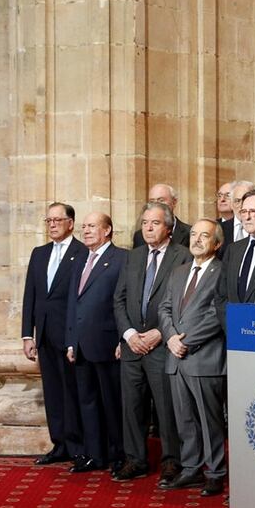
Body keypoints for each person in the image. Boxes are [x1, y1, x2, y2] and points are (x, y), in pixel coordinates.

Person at [112, 203, 192, 483]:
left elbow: (185, 302)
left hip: (162, 344)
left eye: (154, 223)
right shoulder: (132, 257)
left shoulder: (182, 256)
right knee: (132, 406)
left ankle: (172, 460)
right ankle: (135, 459)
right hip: (134, 346)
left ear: (168, 227)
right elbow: (119, 300)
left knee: (166, 406)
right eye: (144, 222)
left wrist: (161, 332)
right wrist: (129, 334)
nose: (147, 227)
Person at [158, 219, 229, 497]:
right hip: (175, 357)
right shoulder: (179, 271)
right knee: (184, 418)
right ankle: (191, 469)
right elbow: (164, 309)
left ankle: (215, 472)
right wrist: (171, 338)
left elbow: (217, 313)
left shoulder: (222, 272)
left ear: (217, 243)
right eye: (194, 235)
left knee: (208, 419)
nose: (197, 239)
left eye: (205, 236)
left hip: (204, 357)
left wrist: (186, 341)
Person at [22, 202, 87, 465]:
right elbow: (31, 296)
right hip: (45, 334)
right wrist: (28, 335)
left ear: (70, 223)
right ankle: (58, 444)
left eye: (57, 220)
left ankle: (77, 446)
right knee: (52, 392)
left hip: (70, 335)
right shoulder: (39, 253)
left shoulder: (82, 252)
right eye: (48, 221)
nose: (52, 225)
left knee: (73, 392)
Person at [65, 212, 128, 473]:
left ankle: (119, 455)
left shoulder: (122, 258)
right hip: (80, 346)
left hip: (108, 344)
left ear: (108, 230)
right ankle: (94, 454)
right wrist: (70, 340)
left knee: (112, 404)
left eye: (92, 226)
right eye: (84, 226)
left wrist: (121, 339)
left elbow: (124, 301)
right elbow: (73, 302)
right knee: (87, 403)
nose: (86, 230)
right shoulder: (80, 258)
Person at [133, 183, 191, 251]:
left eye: (161, 200)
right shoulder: (139, 236)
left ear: (174, 202)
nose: (156, 205)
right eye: (152, 201)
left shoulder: (190, 233)